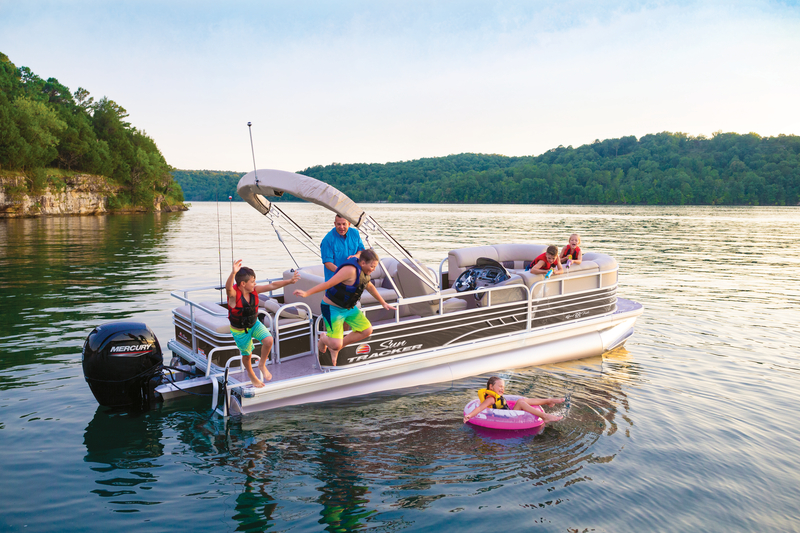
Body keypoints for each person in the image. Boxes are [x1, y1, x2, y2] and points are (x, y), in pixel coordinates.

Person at [293, 249, 395, 366]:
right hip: (332, 308)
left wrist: (383, 303)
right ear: (363, 263)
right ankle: (323, 338)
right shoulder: (350, 271)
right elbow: (328, 284)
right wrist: (307, 293)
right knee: (336, 343)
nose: (374, 270)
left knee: (367, 330)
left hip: (348, 308)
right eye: (372, 266)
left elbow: (370, 286)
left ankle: (336, 348)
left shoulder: (364, 272)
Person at [226, 259, 300, 387]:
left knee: (269, 340)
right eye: (252, 281)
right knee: (247, 356)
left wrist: (289, 281)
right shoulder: (233, 296)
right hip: (240, 330)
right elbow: (228, 288)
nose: (255, 284)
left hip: (254, 324)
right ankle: (251, 374)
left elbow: (272, 286)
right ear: (243, 284)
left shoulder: (254, 291)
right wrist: (233, 273)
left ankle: (262, 364)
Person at [463, 376, 564, 423]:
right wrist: (469, 415)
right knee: (520, 402)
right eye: (500, 386)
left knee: (523, 400)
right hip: (505, 419)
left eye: (503, 387)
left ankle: (548, 401)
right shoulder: (491, 399)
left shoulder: (497, 397)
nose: (502, 389)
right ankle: (544, 416)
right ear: (491, 387)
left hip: (509, 414)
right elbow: (480, 408)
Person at [320, 214, 366, 281]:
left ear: (349, 224)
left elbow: (361, 250)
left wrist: (356, 255)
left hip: (354, 280)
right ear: (335, 224)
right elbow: (328, 263)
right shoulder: (327, 240)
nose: (341, 227)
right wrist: (343, 273)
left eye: (344, 224)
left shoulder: (355, 233)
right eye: (339, 224)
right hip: (334, 282)